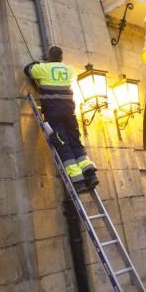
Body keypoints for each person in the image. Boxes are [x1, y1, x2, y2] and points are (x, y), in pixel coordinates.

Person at [24, 46, 98, 192]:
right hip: (70, 114)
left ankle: (78, 181)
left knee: (62, 144)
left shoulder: (44, 68)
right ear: (61, 58)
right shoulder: (69, 70)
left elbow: (28, 69)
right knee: (75, 143)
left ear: (49, 56)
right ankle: (90, 174)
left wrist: (39, 62)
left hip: (54, 114)